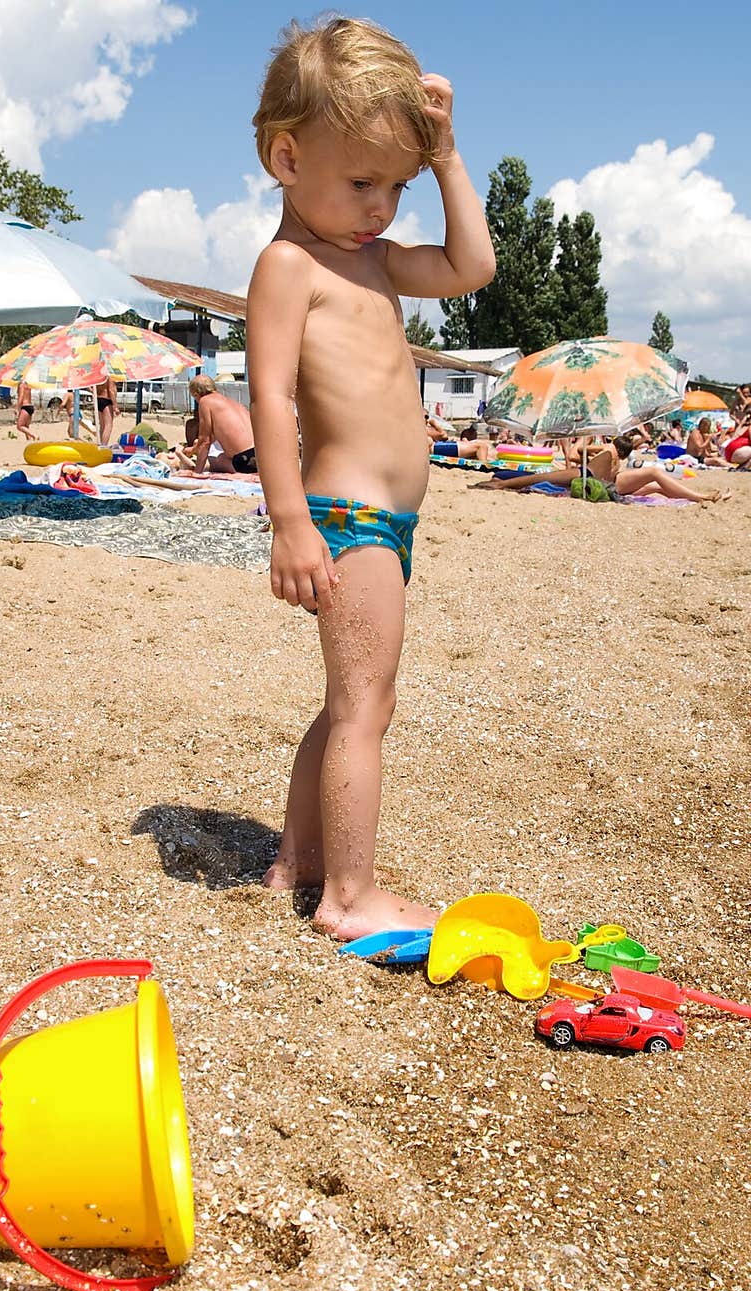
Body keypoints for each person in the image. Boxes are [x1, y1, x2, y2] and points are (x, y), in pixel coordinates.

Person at [245, 14, 495, 940]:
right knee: (365, 708)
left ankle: (295, 861)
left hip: (384, 522)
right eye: (361, 182)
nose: (382, 206)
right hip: (345, 517)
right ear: (285, 158)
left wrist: (450, 159)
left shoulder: (379, 262)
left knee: (342, 701)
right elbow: (269, 398)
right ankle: (348, 897)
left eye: (397, 184)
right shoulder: (288, 267)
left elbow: (473, 266)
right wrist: (288, 523)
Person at [477, 433, 728, 501]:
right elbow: (576, 453)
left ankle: (697, 497)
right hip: (595, 480)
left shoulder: (612, 453)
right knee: (653, 477)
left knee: (655, 484)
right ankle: (499, 483)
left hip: (604, 484)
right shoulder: (609, 451)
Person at [187, 374, 257, 474]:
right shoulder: (232, 403)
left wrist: (197, 473)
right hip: (259, 456)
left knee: (216, 459)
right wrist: (193, 449)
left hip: (244, 461)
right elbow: (214, 437)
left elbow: (205, 442)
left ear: (196, 394)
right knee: (222, 455)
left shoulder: (205, 401)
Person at [94, 377, 119, 446]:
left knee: (102, 426)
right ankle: (103, 446)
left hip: (98, 399)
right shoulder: (109, 377)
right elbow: (111, 390)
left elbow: (91, 388)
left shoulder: (99, 377)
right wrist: (115, 406)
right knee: (108, 425)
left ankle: (100, 444)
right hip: (106, 400)